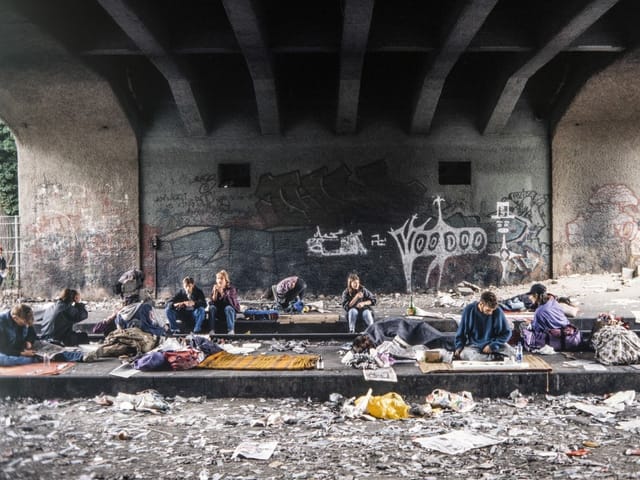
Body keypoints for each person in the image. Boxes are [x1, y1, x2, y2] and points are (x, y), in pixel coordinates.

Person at [0, 304, 87, 366]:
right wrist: (21, 353)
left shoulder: (24, 318)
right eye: (24, 323)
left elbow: (32, 335)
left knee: (50, 347)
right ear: (15, 318)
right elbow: (3, 348)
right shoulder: (1, 322)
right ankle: (38, 359)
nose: (26, 325)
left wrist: (29, 342)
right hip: (7, 351)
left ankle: (80, 356)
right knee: (7, 360)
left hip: (23, 347)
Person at [454, 291, 514, 361]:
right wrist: (459, 347)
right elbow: (461, 333)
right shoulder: (468, 310)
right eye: (488, 310)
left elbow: (507, 333)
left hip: (493, 343)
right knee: (464, 354)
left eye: (492, 310)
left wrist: (492, 345)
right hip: (474, 345)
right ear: (481, 304)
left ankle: (490, 358)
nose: (491, 313)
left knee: (514, 354)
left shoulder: (498, 311)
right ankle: (495, 358)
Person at [522, 283, 581, 351]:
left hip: (558, 337)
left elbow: (537, 329)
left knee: (527, 330)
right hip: (571, 334)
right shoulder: (553, 301)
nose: (530, 298)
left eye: (531, 296)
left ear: (536, 295)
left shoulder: (539, 312)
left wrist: (530, 323)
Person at [207, 269, 241, 335]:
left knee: (228, 308)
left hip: (229, 313)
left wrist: (222, 292)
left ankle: (231, 330)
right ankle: (211, 330)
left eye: (221, 278)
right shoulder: (215, 288)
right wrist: (214, 294)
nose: (219, 280)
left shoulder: (231, 289)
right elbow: (211, 303)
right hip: (219, 313)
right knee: (212, 308)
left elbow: (231, 303)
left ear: (226, 280)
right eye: (218, 278)